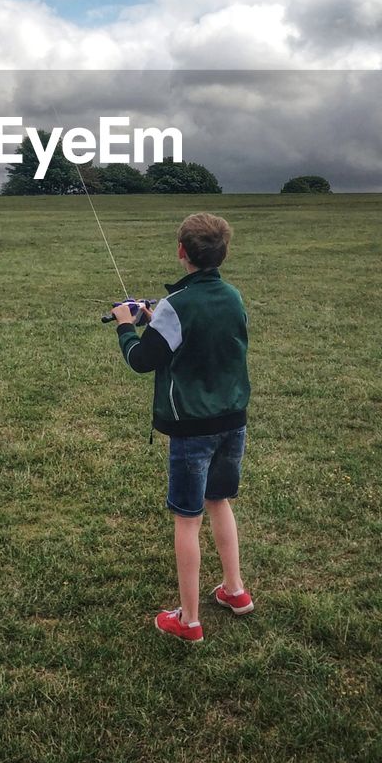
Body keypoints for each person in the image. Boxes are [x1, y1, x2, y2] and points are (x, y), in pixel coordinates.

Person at [110, 211, 253, 644]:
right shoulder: (233, 297)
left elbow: (141, 360)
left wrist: (124, 326)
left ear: (181, 253)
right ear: (222, 253)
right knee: (220, 501)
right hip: (233, 421)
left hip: (192, 429)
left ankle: (189, 621)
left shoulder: (177, 305)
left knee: (187, 519)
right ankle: (235, 591)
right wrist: (156, 319)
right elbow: (201, 336)